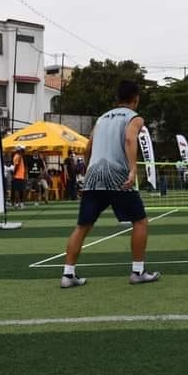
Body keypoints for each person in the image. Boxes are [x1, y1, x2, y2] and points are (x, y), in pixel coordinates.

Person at [60, 80, 160, 288]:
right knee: (140, 221)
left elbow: (88, 148)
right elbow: (130, 140)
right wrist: (133, 169)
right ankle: (138, 271)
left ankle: (67, 275)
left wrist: (88, 172)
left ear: (117, 97)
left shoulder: (102, 118)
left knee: (82, 226)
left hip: (93, 177)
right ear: (136, 99)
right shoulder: (134, 118)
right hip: (118, 177)